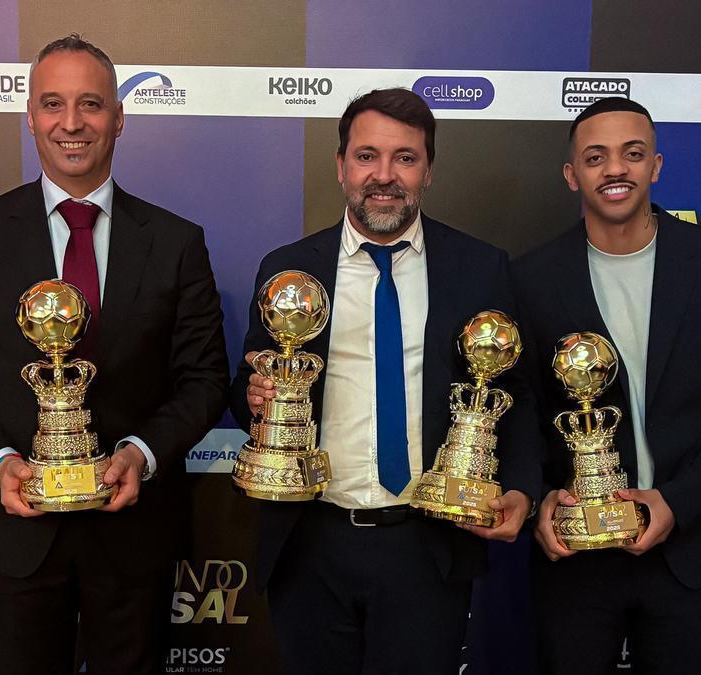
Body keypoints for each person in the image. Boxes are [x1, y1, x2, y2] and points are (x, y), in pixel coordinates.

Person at [0, 34, 229, 675]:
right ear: (30, 117)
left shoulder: (176, 241)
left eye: (90, 103)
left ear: (119, 117)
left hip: (135, 532)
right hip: (17, 528)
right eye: (53, 103)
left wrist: (141, 454)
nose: (72, 122)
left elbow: (203, 379)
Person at [228, 88, 542, 674]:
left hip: (428, 546)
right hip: (311, 542)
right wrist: (255, 397)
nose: (384, 176)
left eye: (405, 158)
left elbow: (515, 394)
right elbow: (249, 381)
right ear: (341, 165)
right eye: (367, 156)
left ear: (429, 170)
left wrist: (522, 489)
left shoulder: (479, 268)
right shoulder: (289, 269)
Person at [511, 96, 701, 674]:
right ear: (572, 175)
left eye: (632, 154)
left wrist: (677, 502)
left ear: (655, 166)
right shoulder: (530, 279)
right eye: (596, 157)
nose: (616, 169)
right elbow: (522, 409)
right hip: (576, 557)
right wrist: (538, 500)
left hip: (688, 551)